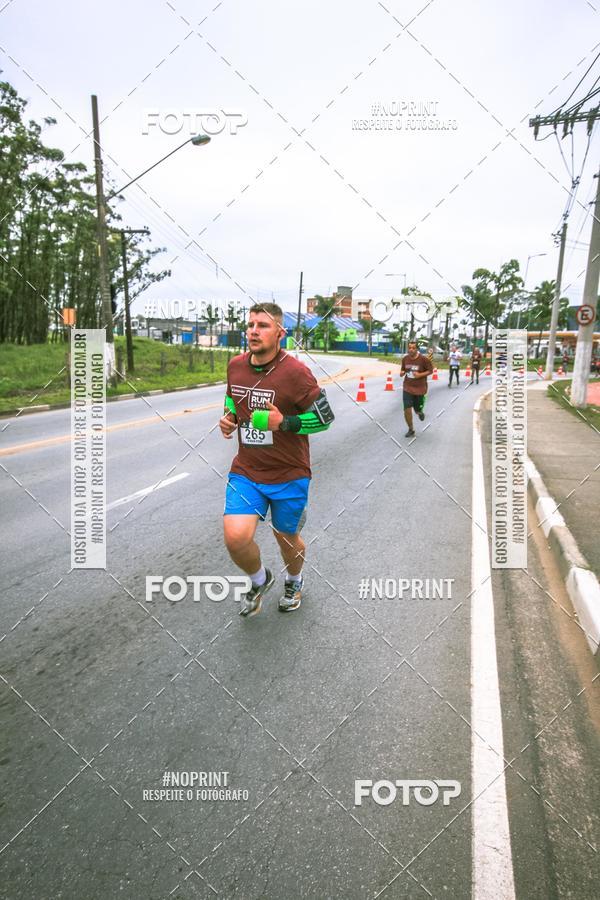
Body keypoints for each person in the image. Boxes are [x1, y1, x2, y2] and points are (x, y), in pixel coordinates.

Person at [219, 303, 334, 617]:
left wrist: (284, 422)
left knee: (286, 538)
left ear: (280, 333)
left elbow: (325, 418)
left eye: (263, 325)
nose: (254, 331)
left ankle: (294, 580)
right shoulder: (236, 366)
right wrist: (229, 418)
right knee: (235, 537)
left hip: (289, 473)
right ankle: (260, 579)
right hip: (247, 470)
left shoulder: (296, 373)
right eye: (251, 325)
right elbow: (233, 397)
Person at [400, 340, 433, 437]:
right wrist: (402, 373)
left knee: (417, 410)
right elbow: (403, 369)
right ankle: (411, 429)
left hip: (420, 388)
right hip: (407, 387)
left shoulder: (423, 359)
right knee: (407, 409)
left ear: (417, 349)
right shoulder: (405, 359)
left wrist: (419, 375)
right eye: (409, 348)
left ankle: (420, 412)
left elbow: (430, 371)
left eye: (413, 348)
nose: (411, 350)